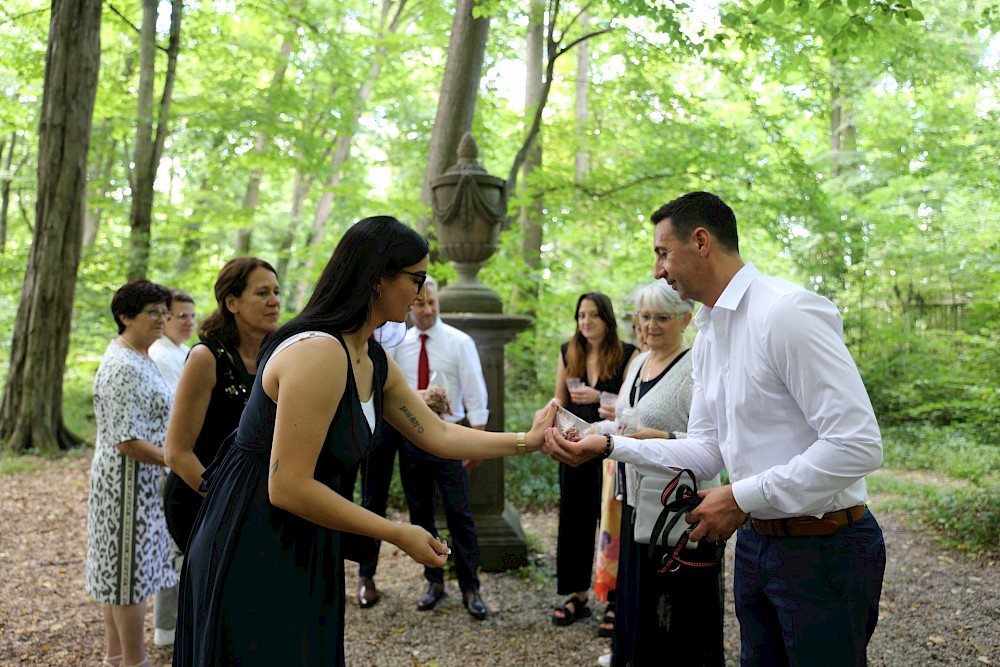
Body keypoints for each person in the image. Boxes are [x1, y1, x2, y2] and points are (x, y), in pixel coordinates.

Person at [173, 216, 556, 666]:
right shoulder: (318, 352)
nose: (420, 293)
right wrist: (396, 532)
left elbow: (438, 433)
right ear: (378, 280)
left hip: (307, 534)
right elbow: (288, 485)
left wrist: (530, 441)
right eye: (416, 279)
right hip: (253, 535)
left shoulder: (371, 355)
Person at [544, 191, 886, 666]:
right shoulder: (708, 336)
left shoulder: (785, 313)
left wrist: (741, 497)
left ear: (701, 241)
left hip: (825, 551)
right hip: (754, 548)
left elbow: (858, 446)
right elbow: (706, 450)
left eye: (663, 252)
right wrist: (607, 445)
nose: (659, 270)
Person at [596, 280, 724, 667]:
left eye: (661, 317)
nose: (649, 325)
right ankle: (634, 654)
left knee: (677, 602)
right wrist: (588, 432)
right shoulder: (637, 362)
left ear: (686, 319)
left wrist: (663, 436)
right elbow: (624, 425)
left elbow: (712, 442)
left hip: (677, 507)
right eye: (644, 316)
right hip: (637, 500)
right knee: (640, 592)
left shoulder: (694, 366)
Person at [385, 275, 491, 619]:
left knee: (459, 513)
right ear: (410, 305)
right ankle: (433, 581)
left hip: (450, 435)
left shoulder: (459, 342)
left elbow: (475, 391)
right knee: (420, 514)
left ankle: (470, 587)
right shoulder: (400, 344)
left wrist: (477, 435)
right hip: (411, 437)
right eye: (419, 303)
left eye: (432, 303)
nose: (426, 309)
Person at [86, 279, 179, 667]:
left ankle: (116, 657)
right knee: (127, 582)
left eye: (164, 312)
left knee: (121, 577)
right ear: (124, 317)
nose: (162, 319)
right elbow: (127, 441)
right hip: (125, 486)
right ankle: (133, 662)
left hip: (140, 485)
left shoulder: (141, 357)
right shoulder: (124, 365)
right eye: (152, 312)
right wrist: (177, 460)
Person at [163, 257, 280, 554]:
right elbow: (176, 453)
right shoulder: (207, 357)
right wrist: (224, 500)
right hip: (202, 502)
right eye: (262, 293)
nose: (274, 301)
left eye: (277, 292)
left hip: (256, 505)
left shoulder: (277, 356)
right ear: (232, 302)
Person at [551, 292, 638, 627]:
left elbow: (633, 406)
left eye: (592, 315)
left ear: (607, 318)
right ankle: (578, 595)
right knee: (574, 520)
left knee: (613, 524)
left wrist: (600, 395)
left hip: (611, 449)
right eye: (580, 316)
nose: (585, 322)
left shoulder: (629, 354)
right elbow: (559, 401)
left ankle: (615, 597)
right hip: (574, 447)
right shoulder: (567, 351)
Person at [147, 287, 196, 648]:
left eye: (191, 316)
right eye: (180, 316)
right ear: (165, 318)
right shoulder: (160, 355)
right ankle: (167, 628)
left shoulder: (181, 352)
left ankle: (177, 625)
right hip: (169, 460)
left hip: (178, 457)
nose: (187, 322)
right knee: (173, 548)